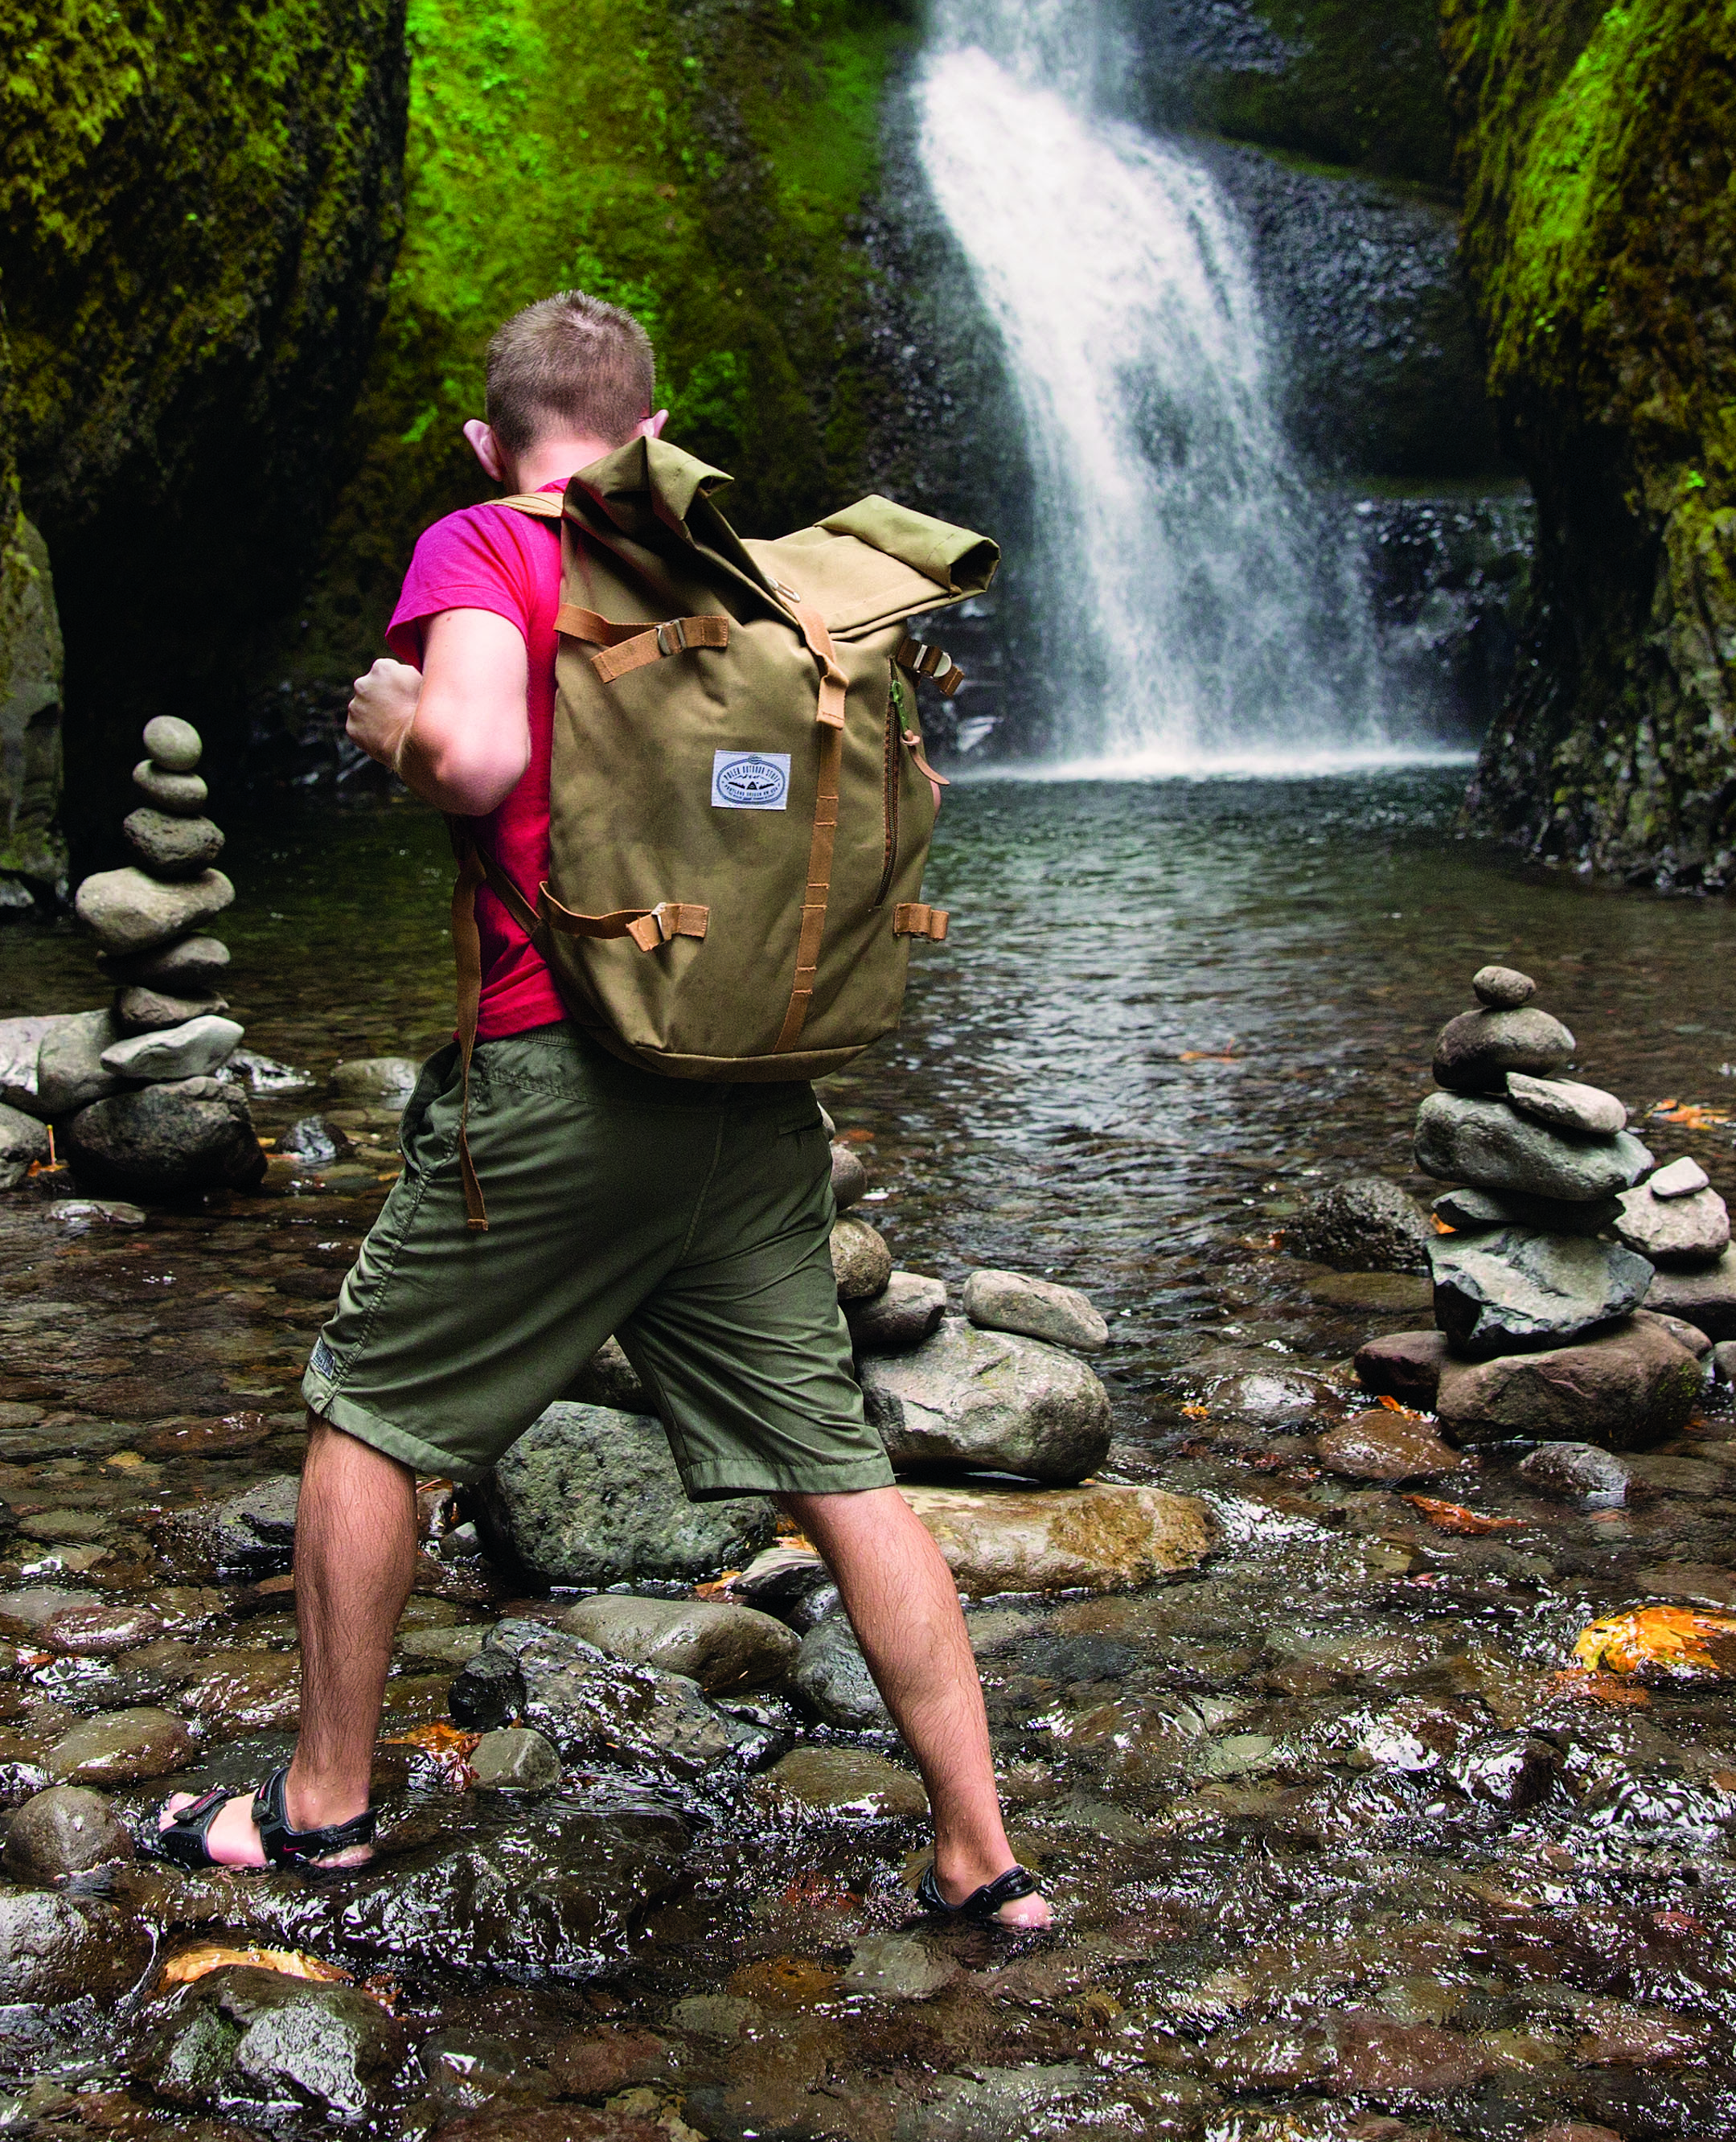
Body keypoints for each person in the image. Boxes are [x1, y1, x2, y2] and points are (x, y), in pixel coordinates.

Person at [146, 288, 1056, 1933]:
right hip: (752, 1096)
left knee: (368, 1417)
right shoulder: (731, 560)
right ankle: (984, 1851)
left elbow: (481, 761)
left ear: (490, 442)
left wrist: (397, 728)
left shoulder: (484, 540)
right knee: (845, 1474)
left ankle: (323, 1807)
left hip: (563, 1070)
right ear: (653, 432)